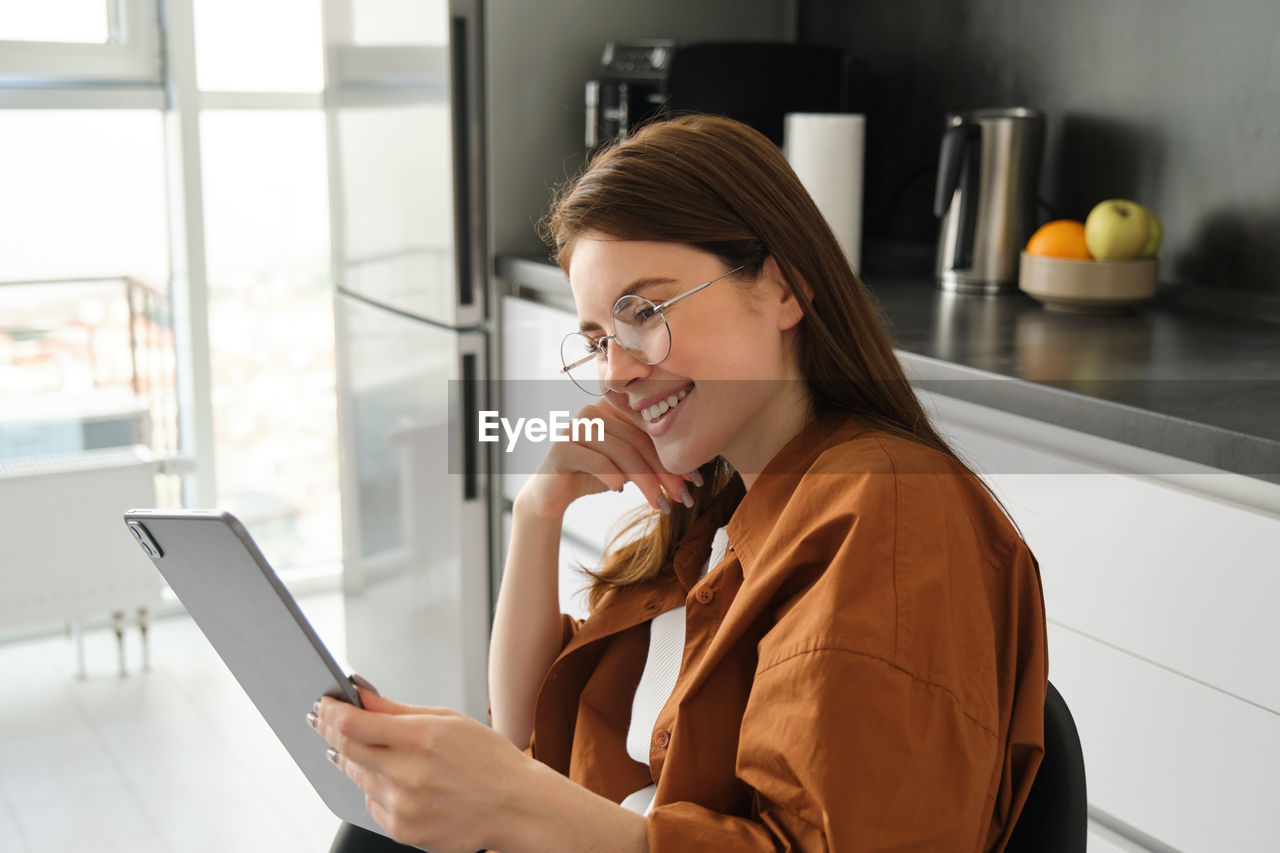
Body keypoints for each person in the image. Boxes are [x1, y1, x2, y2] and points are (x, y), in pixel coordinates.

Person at [313, 114, 1048, 852]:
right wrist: (537, 513)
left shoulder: (887, 507)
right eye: (599, 337)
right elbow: (526, 734)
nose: (615, 371)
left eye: (645, 312)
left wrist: (512, 800)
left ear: (786, 286)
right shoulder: (710, 510)